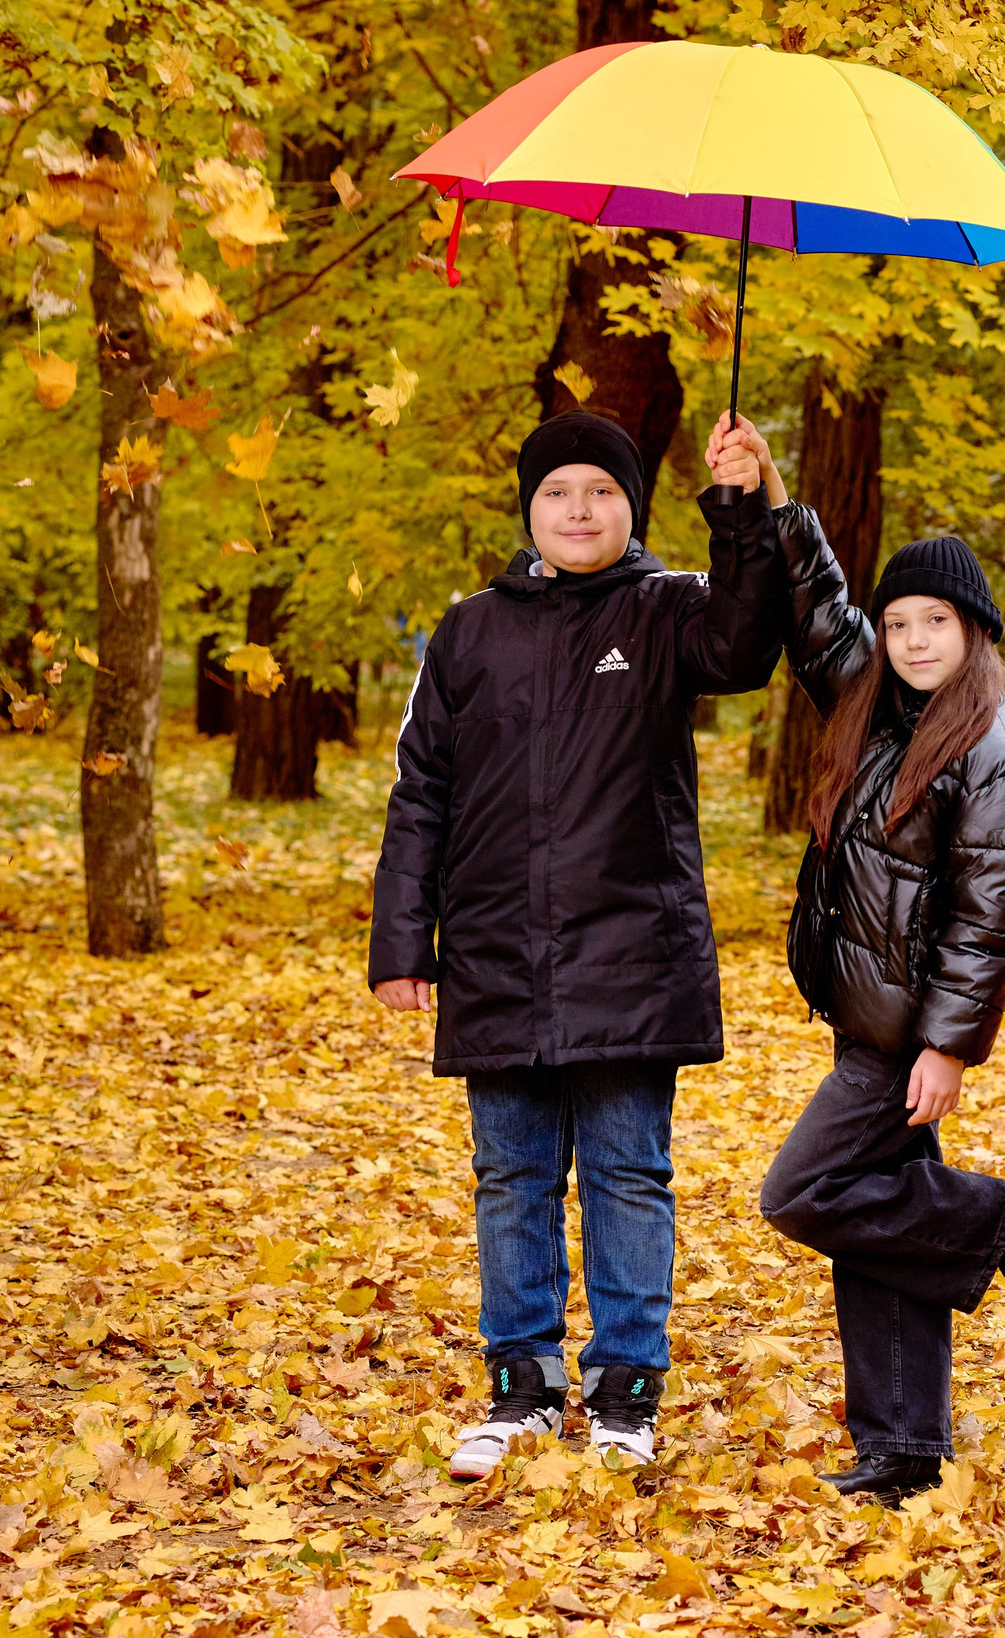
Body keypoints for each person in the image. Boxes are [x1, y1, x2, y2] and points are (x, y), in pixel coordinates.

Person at [367, 409, 795, 1480]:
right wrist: (402, 939)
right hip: (495, 954)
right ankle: (520, 1389)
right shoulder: (468, 631)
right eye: (558, 491)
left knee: (626, 1175)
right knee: (510, 1175)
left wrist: (742, 508)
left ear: (631, 509)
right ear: (529, 509)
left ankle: (624, 1396)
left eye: (602, 491)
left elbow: (747, 641)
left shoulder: (667, 610)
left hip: (631, 954)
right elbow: (422, 791)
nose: (579, 509)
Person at [709, 423, 1005, 1509]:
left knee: (804, 1191)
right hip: (864, 1011)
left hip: (901, 1034)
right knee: (879, 1220)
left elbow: (988, 920)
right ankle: (902, 1443)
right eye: (899, 621)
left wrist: (946, 1048)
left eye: (934, 622)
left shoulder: (991, 748)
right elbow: (818, 603)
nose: (911, 639)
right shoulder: (874, 701)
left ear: (974, 631)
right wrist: (768, 490)